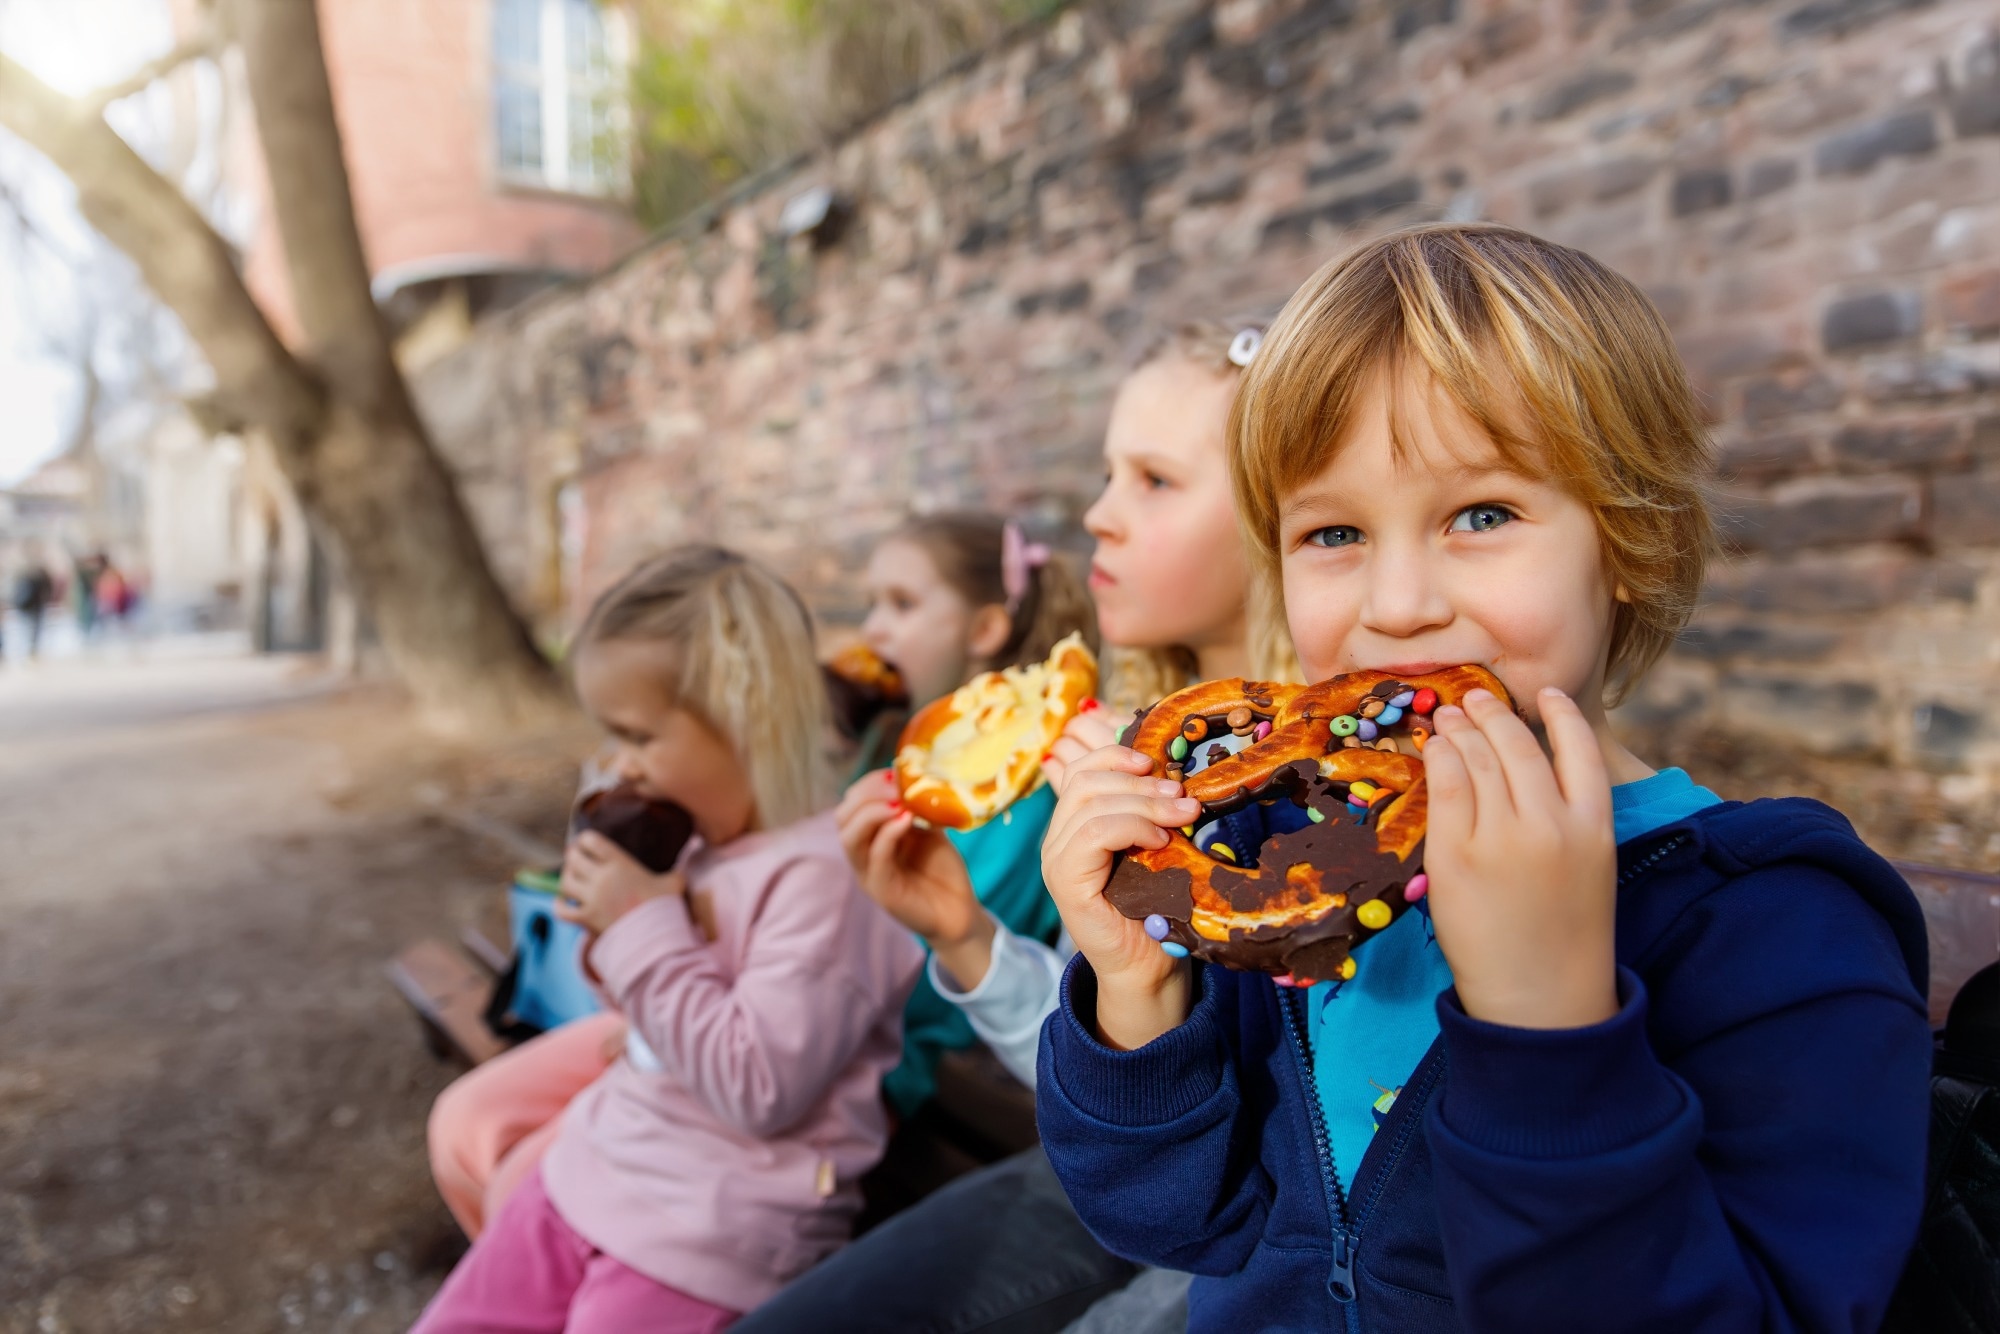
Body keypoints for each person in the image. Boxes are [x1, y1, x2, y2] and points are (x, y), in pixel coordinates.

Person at [1035, 223, 1933, 1332]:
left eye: (1480, 514)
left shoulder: (1777, 933)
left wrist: (1547, 1018)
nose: (1396, 600)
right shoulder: (1278, 867)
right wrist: (1135, 997)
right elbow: (1182, 1225)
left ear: (1627, 544)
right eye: (1332, 533)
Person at [736, 323, 1292, 1334]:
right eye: (1106, 474)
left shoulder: (1328, 792)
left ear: (1286, 517)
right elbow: (1116, 1079)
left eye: (1154, 482)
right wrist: (967, 937)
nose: (1095, 515)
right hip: (1117, 1168)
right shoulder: (1119, 748)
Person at [412, 545, 922, 1333]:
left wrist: (642, 923)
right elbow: (650, 1010)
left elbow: (757, 1088)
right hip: (602, 1164)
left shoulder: (826, 882)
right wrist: (611, 919)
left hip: (708, 1231)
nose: (620, 764)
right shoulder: (700, 844)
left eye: (638, 736)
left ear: (746, 718)